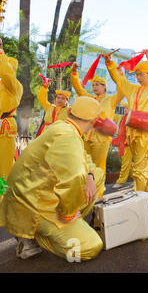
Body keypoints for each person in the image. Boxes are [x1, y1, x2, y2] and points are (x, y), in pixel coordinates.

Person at [0, 96, 105, 261]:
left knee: (97, 175)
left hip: (34, 192)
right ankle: (30, 233)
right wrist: (68, 214)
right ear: (95, 121)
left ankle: (63, 225)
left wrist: (90, 177)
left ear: (69, 112)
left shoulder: (62, 127)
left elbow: (85, 158)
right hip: (31, 204)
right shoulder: (68, 136)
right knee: (89, 247)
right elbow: (74, 177)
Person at [102, 50, 148, 208]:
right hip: (131, 132)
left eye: (141, 74)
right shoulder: (131, 89)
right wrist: (110, 63)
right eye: (137, 74)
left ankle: (140, 202)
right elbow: (119, 79)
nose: (138, 77)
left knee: (138, 168)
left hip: (145, 133)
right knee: (144, 165)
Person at [70, 62, 124, 184]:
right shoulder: (89, 98)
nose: (94, 87)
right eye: (93, 85)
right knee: (85, 165)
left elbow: (122, 90)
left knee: (99, 167)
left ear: (104, 87)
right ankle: (86, 192)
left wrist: (117, 72)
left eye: (97, 85)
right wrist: (74, 72)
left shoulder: (111, 100)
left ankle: (98, 194)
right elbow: (78, 88)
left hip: (102, 138)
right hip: (87, 136)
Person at [0, 40, 23, 180]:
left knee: (3, 170)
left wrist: (1, 51)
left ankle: (2, 199)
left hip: (5, 128)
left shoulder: (14, 86)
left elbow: (5, 73)